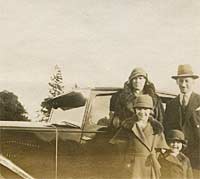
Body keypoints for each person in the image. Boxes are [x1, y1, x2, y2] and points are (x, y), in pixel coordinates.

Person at [110, 95, 168, 179]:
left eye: (145, 109)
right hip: (133, 165)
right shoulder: (128, 126)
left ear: (151, 111)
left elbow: (161, 148)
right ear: (135, 110)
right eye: (139, 109)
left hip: (149, 164)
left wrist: (153, 157)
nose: (142, 112)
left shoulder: (156, 127)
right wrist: (129, 159)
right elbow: (120, 147)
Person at [163, 64, 200, 178]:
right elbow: (167, 127)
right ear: (177, 82)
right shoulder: (171, 104)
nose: (183, 85)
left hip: (197, 153)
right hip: (177, 153)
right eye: (180, 81)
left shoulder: (199, 101)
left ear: (193, 82)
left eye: (187, 81)